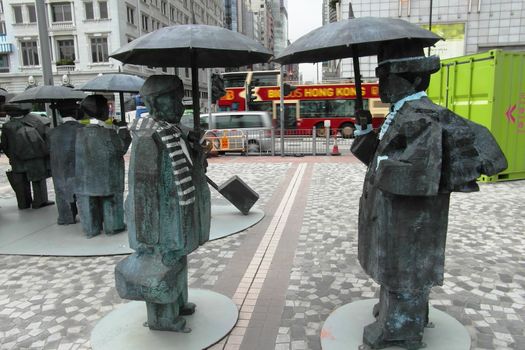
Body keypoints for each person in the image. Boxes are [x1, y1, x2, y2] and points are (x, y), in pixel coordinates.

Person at [352, 41, 507, 349]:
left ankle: (401, 331)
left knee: (405, 269)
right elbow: (383, 155)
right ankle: (397, 313)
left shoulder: (421, 116)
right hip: (395, 213)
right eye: (380, 76)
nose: (381, 84)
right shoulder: (402, 113)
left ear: (413, 80)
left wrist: (384, 162)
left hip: (410, 218)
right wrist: (365, 133)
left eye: (387, 77)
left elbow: (419, 173)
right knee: (395, 267)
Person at [115, 75, 211, 332]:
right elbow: (142, 191)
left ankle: (179, 302)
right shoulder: (149, 136)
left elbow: (190, 170)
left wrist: (197, 152)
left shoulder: (176, 131)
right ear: (156, 102)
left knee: (179, 259)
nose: (180, 106)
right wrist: (148, 236)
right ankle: (163, 318)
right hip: (159, 224)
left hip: (177, 215)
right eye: (174, 100)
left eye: (181, 100)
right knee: (162, 264)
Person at [75, 95, 131, 238]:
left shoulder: (79, 133)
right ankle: (113, 226)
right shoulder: (109, 133)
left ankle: (91, 229)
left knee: (89, 203)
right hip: (108, 177)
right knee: (111, 201)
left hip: (85, 178)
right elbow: (121, 148)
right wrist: (124, 129)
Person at [0, 99, 54, 209]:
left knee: (20, 182)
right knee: (38, 180)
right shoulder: (36, 121)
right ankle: (39, 201)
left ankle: (23, 203)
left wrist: (11, 155)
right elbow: (45, 138)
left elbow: (4, 145)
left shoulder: (7, 126)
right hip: (35, 157)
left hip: (16, 159)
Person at [49, 100, 83, 225]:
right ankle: (87, 217)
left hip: (60, 169)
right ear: (76, 112)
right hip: (80, 169)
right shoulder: (83, 130)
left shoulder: (53, 132)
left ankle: (66, 217)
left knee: (62, 190)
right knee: (81, 193)